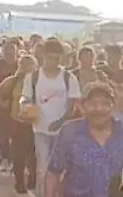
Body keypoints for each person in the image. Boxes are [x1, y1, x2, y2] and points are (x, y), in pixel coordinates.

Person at [20, 38, 81, 177]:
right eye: (50, 58)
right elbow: (25, 97)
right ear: (43, 56)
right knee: (43, 167)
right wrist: (25, 108)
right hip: (40, 129)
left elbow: (73, 103)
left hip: (62, 131)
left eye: (56, 58)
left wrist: (61, 121)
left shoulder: (68, 78)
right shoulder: (33, 77)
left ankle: (57, 196)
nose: (53, 62)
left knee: (61, 168)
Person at [0, 54, 40, 194]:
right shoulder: (13, 81)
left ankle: (33, 178)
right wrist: (3, 103)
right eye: (24, 65)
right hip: (17, 122)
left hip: (36, 123)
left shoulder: (41, 82)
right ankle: (19, 181)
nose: (27, 68)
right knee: (18, 154)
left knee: (34, 154)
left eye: (30, 65)